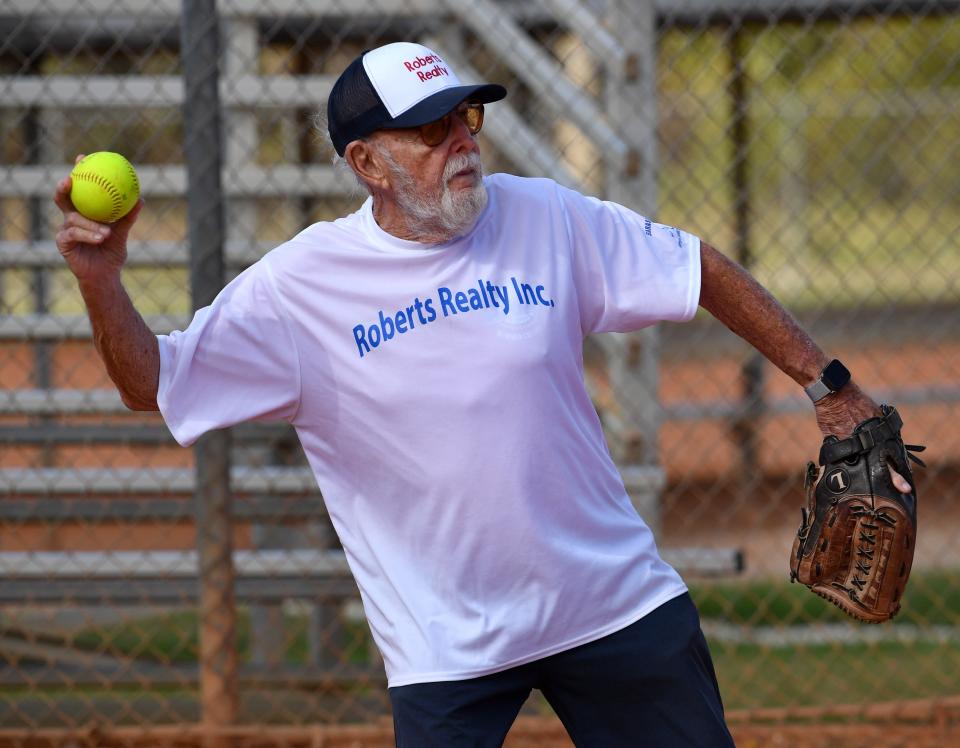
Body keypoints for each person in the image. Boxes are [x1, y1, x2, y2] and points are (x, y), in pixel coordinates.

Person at [54, 41, 913, 748]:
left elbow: (698, 270)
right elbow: (154, 383)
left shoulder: (544, 217)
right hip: (446, 643)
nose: (461, 139)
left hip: (609, 601)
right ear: (367, 164)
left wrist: (828, 384)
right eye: (427, 129)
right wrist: (101, 281)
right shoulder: (297, 289)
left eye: (465, 116)